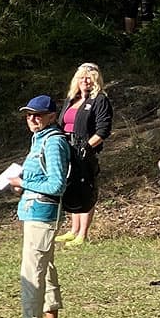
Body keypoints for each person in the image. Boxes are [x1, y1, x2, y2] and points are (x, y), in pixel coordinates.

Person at [0, 96, 69, 318]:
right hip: (34, 212)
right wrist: (21, 187)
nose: (32, 119)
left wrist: (23, 183)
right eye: (28, 115)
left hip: (43, 214)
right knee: (46, 270)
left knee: (32, 272)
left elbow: (57, 184)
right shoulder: (39, 139)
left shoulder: (54, 142)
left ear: (52, 116)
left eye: (38, 114)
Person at [59, 63, 113, 246]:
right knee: (72, 187)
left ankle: (82, 234)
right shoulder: (71, 99)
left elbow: (103, 130)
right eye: (82, 77)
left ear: (96, 80)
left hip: (85, 151)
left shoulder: (100, 100)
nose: (85, 81)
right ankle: (73, 230)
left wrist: (86, 148)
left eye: (89, 78)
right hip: (67, 148)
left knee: (85, 188)